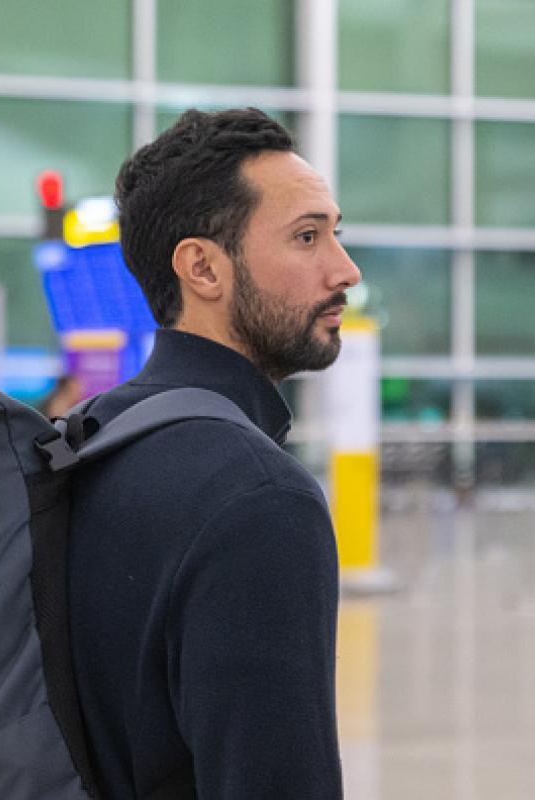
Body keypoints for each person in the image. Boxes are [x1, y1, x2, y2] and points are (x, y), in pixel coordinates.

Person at [68, 108, 360, 798]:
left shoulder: (88, 438)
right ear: (202, 268)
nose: (345, 270)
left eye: (335, 234)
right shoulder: (259, 499)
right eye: (307, 237)